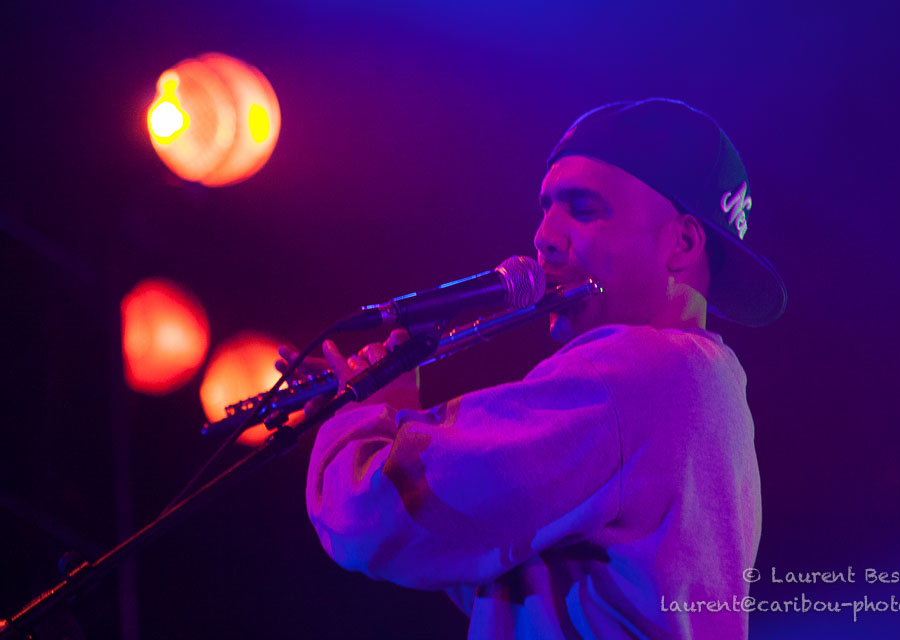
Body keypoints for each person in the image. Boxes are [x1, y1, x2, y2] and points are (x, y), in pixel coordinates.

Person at [277, 99, 787, 639]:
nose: (543, 237)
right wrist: (390, 413)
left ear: (681, 242)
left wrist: (365, 416)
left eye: (583, 209)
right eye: (547, 209)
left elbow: (369, 517)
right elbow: (487, 561)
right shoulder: (710, 387)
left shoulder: (634, 372)